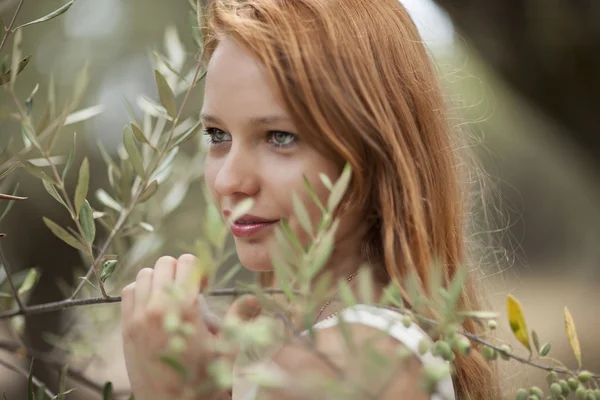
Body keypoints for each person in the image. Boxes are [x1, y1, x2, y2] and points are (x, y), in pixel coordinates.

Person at [120, 0, 500, 399]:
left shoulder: (342, 367)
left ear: (374, 152)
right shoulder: (378, 345)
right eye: (218, 135)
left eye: (279, 137)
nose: (229, 180)